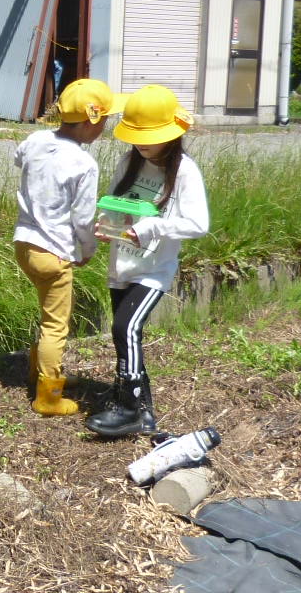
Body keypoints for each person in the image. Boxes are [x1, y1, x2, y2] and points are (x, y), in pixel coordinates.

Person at [85, 85, 209, 439]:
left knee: (127, 328)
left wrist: (153, 226)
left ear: (171, 133)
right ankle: (140, 407)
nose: (142, 142)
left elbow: (198, 225)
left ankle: (130, 407)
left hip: (154, 269)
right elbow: (116, 205)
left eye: (149, 136)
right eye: (137, 135)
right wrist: (106, 226)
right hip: (122, 265)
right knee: (122, 336)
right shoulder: (129, 161)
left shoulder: (184, 171)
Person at [12, 77, 116, 417]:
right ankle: (49, 396)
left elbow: (19, 159)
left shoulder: (37, 139)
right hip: (54, 252)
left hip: (25, 244)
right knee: (56, 326)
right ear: (91, 121)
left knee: (46, 313)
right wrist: (87, 250)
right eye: (105, 121)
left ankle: (39, 371)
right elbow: (83, 219)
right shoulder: (84, 164)